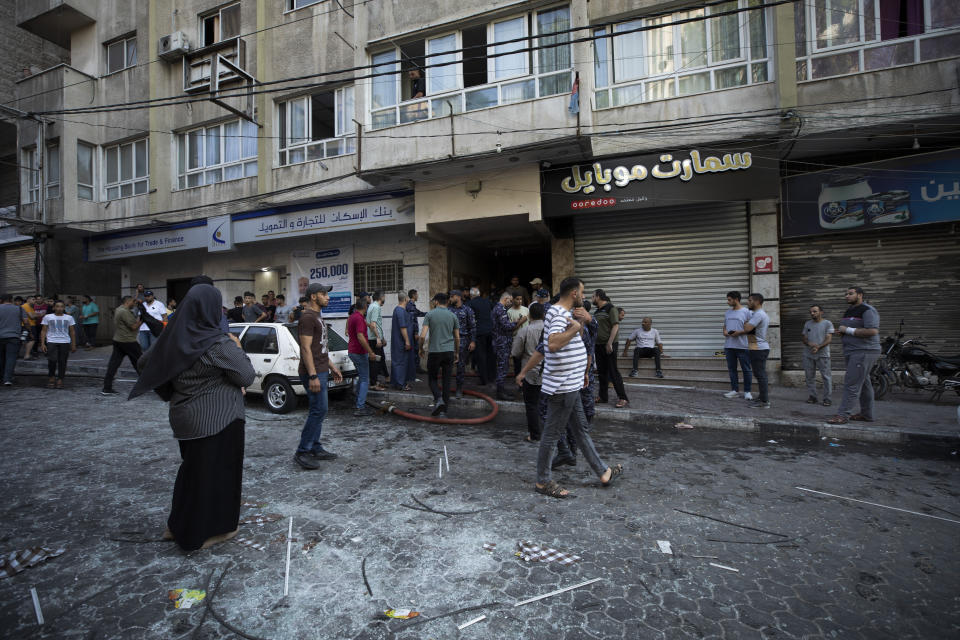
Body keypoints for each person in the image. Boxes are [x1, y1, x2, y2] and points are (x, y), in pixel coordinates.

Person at [129, 284, 256, 551]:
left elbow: (144, 364)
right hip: (220, 418)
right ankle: (202, 534)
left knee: (191, 473)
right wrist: (237, 346)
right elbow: (245, 376)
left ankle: (175, 526)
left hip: (185, 417)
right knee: (216, 477)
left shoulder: (173, 338)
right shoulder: (217, 342)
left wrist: (171, 389)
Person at [534, 277, 622, 499]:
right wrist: (575, 327)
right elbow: (552, 344)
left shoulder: (564, 314)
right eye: (582, 293)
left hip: (571, 384)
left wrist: (581, 372)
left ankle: (603, 472)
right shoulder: (558, 313)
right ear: (573, 293)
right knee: (552, 434)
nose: (584, 297)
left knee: (581, 430)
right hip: (562, 387)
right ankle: (543, 481)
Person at [294, 283, 345, 470]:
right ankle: (302, 451)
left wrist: (332, 367)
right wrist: (313, 375)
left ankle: (315, 447)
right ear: (313, 296)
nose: (328, 297)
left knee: (320, 410)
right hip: (312, 372)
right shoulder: (307, 317)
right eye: (324, 294)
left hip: (322, 369)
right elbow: (305, 348)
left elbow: (320, 348)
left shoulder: (317, 316)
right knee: (318, 409)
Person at [827, 287, 881, 425]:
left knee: (851, 383)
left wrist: (849, 330)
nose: (847, 296)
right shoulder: (850, 310)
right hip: (853, 350)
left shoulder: (868, 310)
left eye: (850, 294)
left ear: (860, 295)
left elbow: (872, 331)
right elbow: (851, 329)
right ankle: (867, 414)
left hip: (864, 351)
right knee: (864, 384)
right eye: (845, 294)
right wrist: (842, 332)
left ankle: (843, 415)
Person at [419, 292, 460, 418]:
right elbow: (457, 338)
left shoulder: (430, 314)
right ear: (446, 302)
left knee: (432, 379)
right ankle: (443, 411)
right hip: (448, 352)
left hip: (435, 352)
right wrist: (457, 352)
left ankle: (439, 399)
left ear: (436, 302)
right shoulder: (453, 315)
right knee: (447, 381)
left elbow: (422, 335)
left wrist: (420, 348)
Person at [512, 302, 545, 442]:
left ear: (530, 315)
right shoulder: (552, 330)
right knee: (549, 405)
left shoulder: (524, 331)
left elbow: (516, 352)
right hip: (549, 373)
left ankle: (535, 435)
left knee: (531, 405)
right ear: (544, 315)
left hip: (529, 373)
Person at [732, 293, 771, 409]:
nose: (747, 303)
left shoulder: (759, 314)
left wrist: (745, 324)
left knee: (760, 374)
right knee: (759, 374)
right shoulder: (758, 314)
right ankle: (762, 397)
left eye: (750, 301)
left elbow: (747, 328)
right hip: (756, 347)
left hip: (759, 348)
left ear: (757, 302)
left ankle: (764, 402)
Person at [101, 296, 144, 395]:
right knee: (141, 364)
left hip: (118, 340)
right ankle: (149, 385)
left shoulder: (118, 309)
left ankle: (107, 388)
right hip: (128, 341)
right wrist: (143, 320)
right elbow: (133, 327)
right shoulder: (125, 312)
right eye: (133, 301)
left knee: (113, 365)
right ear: (128, 302)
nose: (134, 303)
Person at [593, 292, 629, 408]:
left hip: (610, 344)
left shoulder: (611, 308)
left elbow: (615, 325)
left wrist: (609, 342)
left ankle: (623, 398)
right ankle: (603, 397)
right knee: (602, 372)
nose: (592, 299)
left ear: (598, 296)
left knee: (613, 371)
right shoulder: (597, 311)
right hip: (598, 345)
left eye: (593, 296)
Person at [346, 297, 379, 418]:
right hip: (359, 352)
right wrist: (370, 352)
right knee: (365, 379)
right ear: (365, 307)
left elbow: (361, 326)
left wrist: (370, 326)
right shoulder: (359, 318)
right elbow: (360, 336)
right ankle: (360, 407)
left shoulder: (353, 316)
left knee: (361, 376)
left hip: (352, 351)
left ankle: (358, 401)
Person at [492, 291, 527, 400]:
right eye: (510, 300)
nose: (510, 302)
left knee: (503, 367)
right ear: (505, 299)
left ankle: (501, 389)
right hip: (502, 342)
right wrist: (520, 322)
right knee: (502, 367)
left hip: (500, 341)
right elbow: (507, 326)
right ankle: (500, 393)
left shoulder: (498, 308)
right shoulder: (500, 309)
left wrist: (515, 321)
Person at [722, 290, 753, 400]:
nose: (728, 302)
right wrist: (725, 332)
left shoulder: (747, 312)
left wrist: (739, 332)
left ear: (736, 299)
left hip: (743, 346)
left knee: (746, 369)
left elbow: (751, 328)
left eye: (729, 300)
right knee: (732, 369)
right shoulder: (728, 312)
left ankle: (747, 392)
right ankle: (734, 390)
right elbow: (725, 326)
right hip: (729, 346)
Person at [40, 300, 77, 389]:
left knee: (62, 361)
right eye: (57, 306)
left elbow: (72, 331)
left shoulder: (69, 318)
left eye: (61, 306)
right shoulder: (48, 317)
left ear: (64, 308)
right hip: (51, 341)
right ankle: (51, 377)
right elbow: (44, 330)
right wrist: (42, 343)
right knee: (52, 360)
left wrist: (73, 344)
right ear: (54, 307)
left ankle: (60, 379)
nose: (59, 308)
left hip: (65, 341)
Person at [802, 304, 834, 406]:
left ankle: (827, 398)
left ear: (821, 312)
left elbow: (829, 339)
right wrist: (809, 343)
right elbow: (804, 338)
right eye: (811, 312)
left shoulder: (827, 323)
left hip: (823, 354)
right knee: (809, 376)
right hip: (808, 354)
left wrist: (818, 347)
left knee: (826, 377)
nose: (812, 313)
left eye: (815, 311)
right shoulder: (808, 324)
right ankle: (813, 396)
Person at [449, 289, 476, 399]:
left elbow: (473, 327)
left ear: (458, 297)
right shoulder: (448, 310)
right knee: (447, 365)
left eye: (452, 296)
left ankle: (459, 389)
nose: (450, 299)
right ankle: (446, 388)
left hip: (463, 340)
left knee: (460, 366)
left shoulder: (467, 310)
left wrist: (473, 341)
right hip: (449, 341)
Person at [467, 287, 495, 385]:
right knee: (490, 354)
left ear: (471, 295)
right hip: (490, 331)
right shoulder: (487, 301)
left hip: (479, 333)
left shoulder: (470, 303)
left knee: (481, 356)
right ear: (479, 294)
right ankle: (492, 377)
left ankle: (484, 379)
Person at [390, 293, 415, 391]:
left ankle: (397, 383)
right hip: (401, 342)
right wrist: (407, 341)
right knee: (401, 362)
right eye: (408, 298)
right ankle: (401, 384)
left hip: (399, 341)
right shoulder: (400, 311)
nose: (409, 299)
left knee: (399, 362)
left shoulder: (399, 310)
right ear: (405, 299)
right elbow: (403, 327)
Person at [0, 293, 25, 386]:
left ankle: (1, 376)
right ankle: (7, 379)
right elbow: (26, 321)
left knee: (1, 357)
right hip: (14, 336)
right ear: (11, 300)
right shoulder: (19, 308)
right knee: (11, 358)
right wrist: (29, 332)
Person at [367, 290, 388, 391]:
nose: (385, 298)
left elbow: (372, 324)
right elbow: (373, 324)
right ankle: (374, 383)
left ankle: (375, 382)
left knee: (377, 360)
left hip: (373, 338)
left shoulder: (371, 306)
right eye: (384, 296)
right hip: (374, 339)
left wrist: (382, 338)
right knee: (376, 362)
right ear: (381, 297)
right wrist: (378, 338)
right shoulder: (376, 307)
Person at [405, 289, 427, 374]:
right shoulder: (410, 305)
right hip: (412, 333)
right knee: (415, 350)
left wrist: (429, 313)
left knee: (414, 350)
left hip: (411, 332)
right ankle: (416, 368)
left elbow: (419, 313)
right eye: (417, 294)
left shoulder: (412, 305)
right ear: (413, 295)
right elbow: (412, 320)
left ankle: (414, 368)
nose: (418, 296)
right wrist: (415, 333)